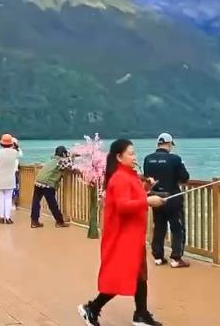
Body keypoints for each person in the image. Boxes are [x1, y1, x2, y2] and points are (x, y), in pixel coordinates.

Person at [79, 139, 165, 326]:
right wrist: (148, 201)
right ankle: (92, 308)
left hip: (133, 235)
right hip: (123, 237)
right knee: (122, 275)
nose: (134, 157)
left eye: (134, 153)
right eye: (131, 154)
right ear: (119, 157)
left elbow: (132, 197)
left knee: (139, 275)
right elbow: (122, 206)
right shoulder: (119, 178)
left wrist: (146, 189)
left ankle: (141, 314)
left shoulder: (129, 176)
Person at [143, 133, 190, 267]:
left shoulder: (148, 159)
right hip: (173, 198)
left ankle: (158, 256)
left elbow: (147, 177)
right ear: (169, 144)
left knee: (159, 227)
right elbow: (184, 177)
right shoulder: (175, 159)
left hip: (155, 197)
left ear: (158, 144)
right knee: (177, 228)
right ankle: (176, 258)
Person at [30, 146, 72, 228]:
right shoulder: (60, 161)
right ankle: (59, 222)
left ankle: (34, 221)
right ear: (63, 154)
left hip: (38, 181)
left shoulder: (52, 160)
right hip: (47, 184)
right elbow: (70, 166)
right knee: (52, 204)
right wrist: (71, 156)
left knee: (36, 202)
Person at [0, 133, 21, 224]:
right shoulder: (15, 153)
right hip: (10, 178)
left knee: (0, 198)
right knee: (8, 198)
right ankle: (8, 217)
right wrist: (16, 145)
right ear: (11, 143)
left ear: (1, 143)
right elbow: (20, 153)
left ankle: (1, 217)